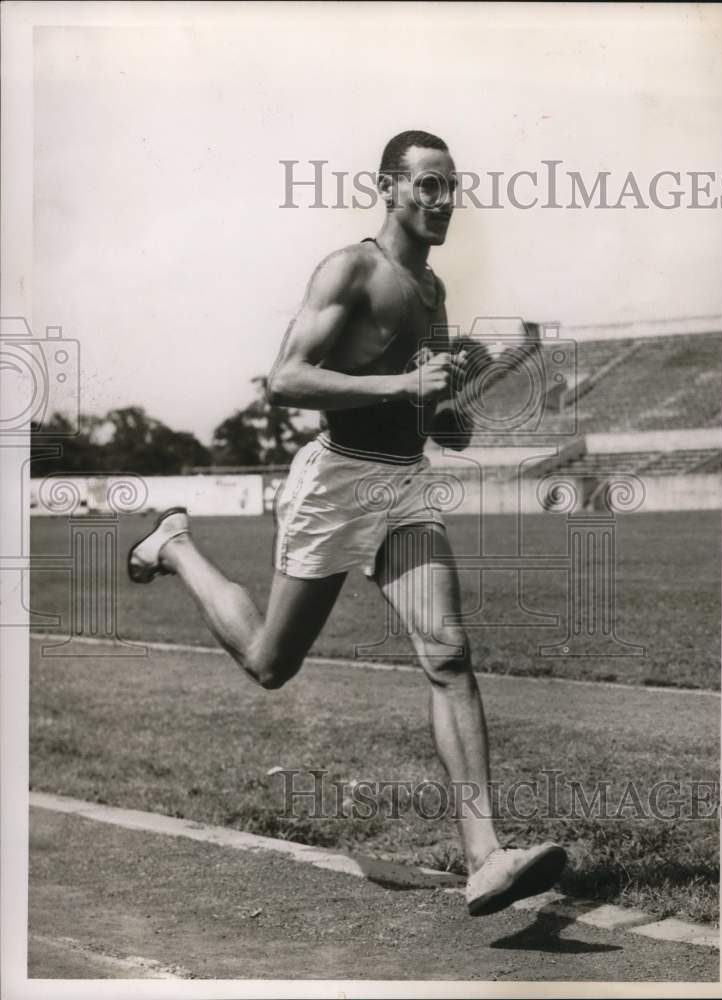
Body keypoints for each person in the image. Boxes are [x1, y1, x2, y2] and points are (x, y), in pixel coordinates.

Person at [128, 129, 566, 916]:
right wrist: (406, 384)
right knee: (269, 664)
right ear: (389, 189)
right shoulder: (350, 269)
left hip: (402, 487)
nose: (443, 202)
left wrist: (456, 388)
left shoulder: (431, 295)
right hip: (334, 485)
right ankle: (175, 543)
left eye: (451, 187)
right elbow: (286, 379)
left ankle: (486, 857)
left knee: (447, 650)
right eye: (427, 186)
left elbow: (438, 427)